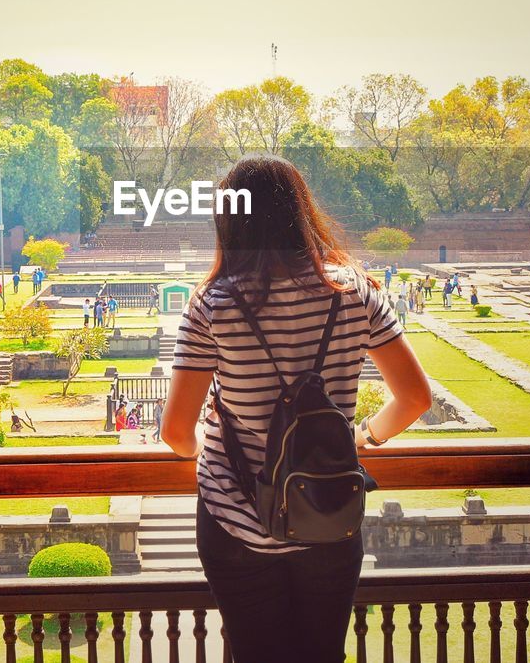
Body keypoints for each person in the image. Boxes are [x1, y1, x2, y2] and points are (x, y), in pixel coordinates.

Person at [160, 156, 432, 663]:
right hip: (327, 512)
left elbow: (176, 434)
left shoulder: (212, 305)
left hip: (234, 518)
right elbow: (415, 399)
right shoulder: (356, 292)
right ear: (301, 212)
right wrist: (363, 438)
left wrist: (209, 442)